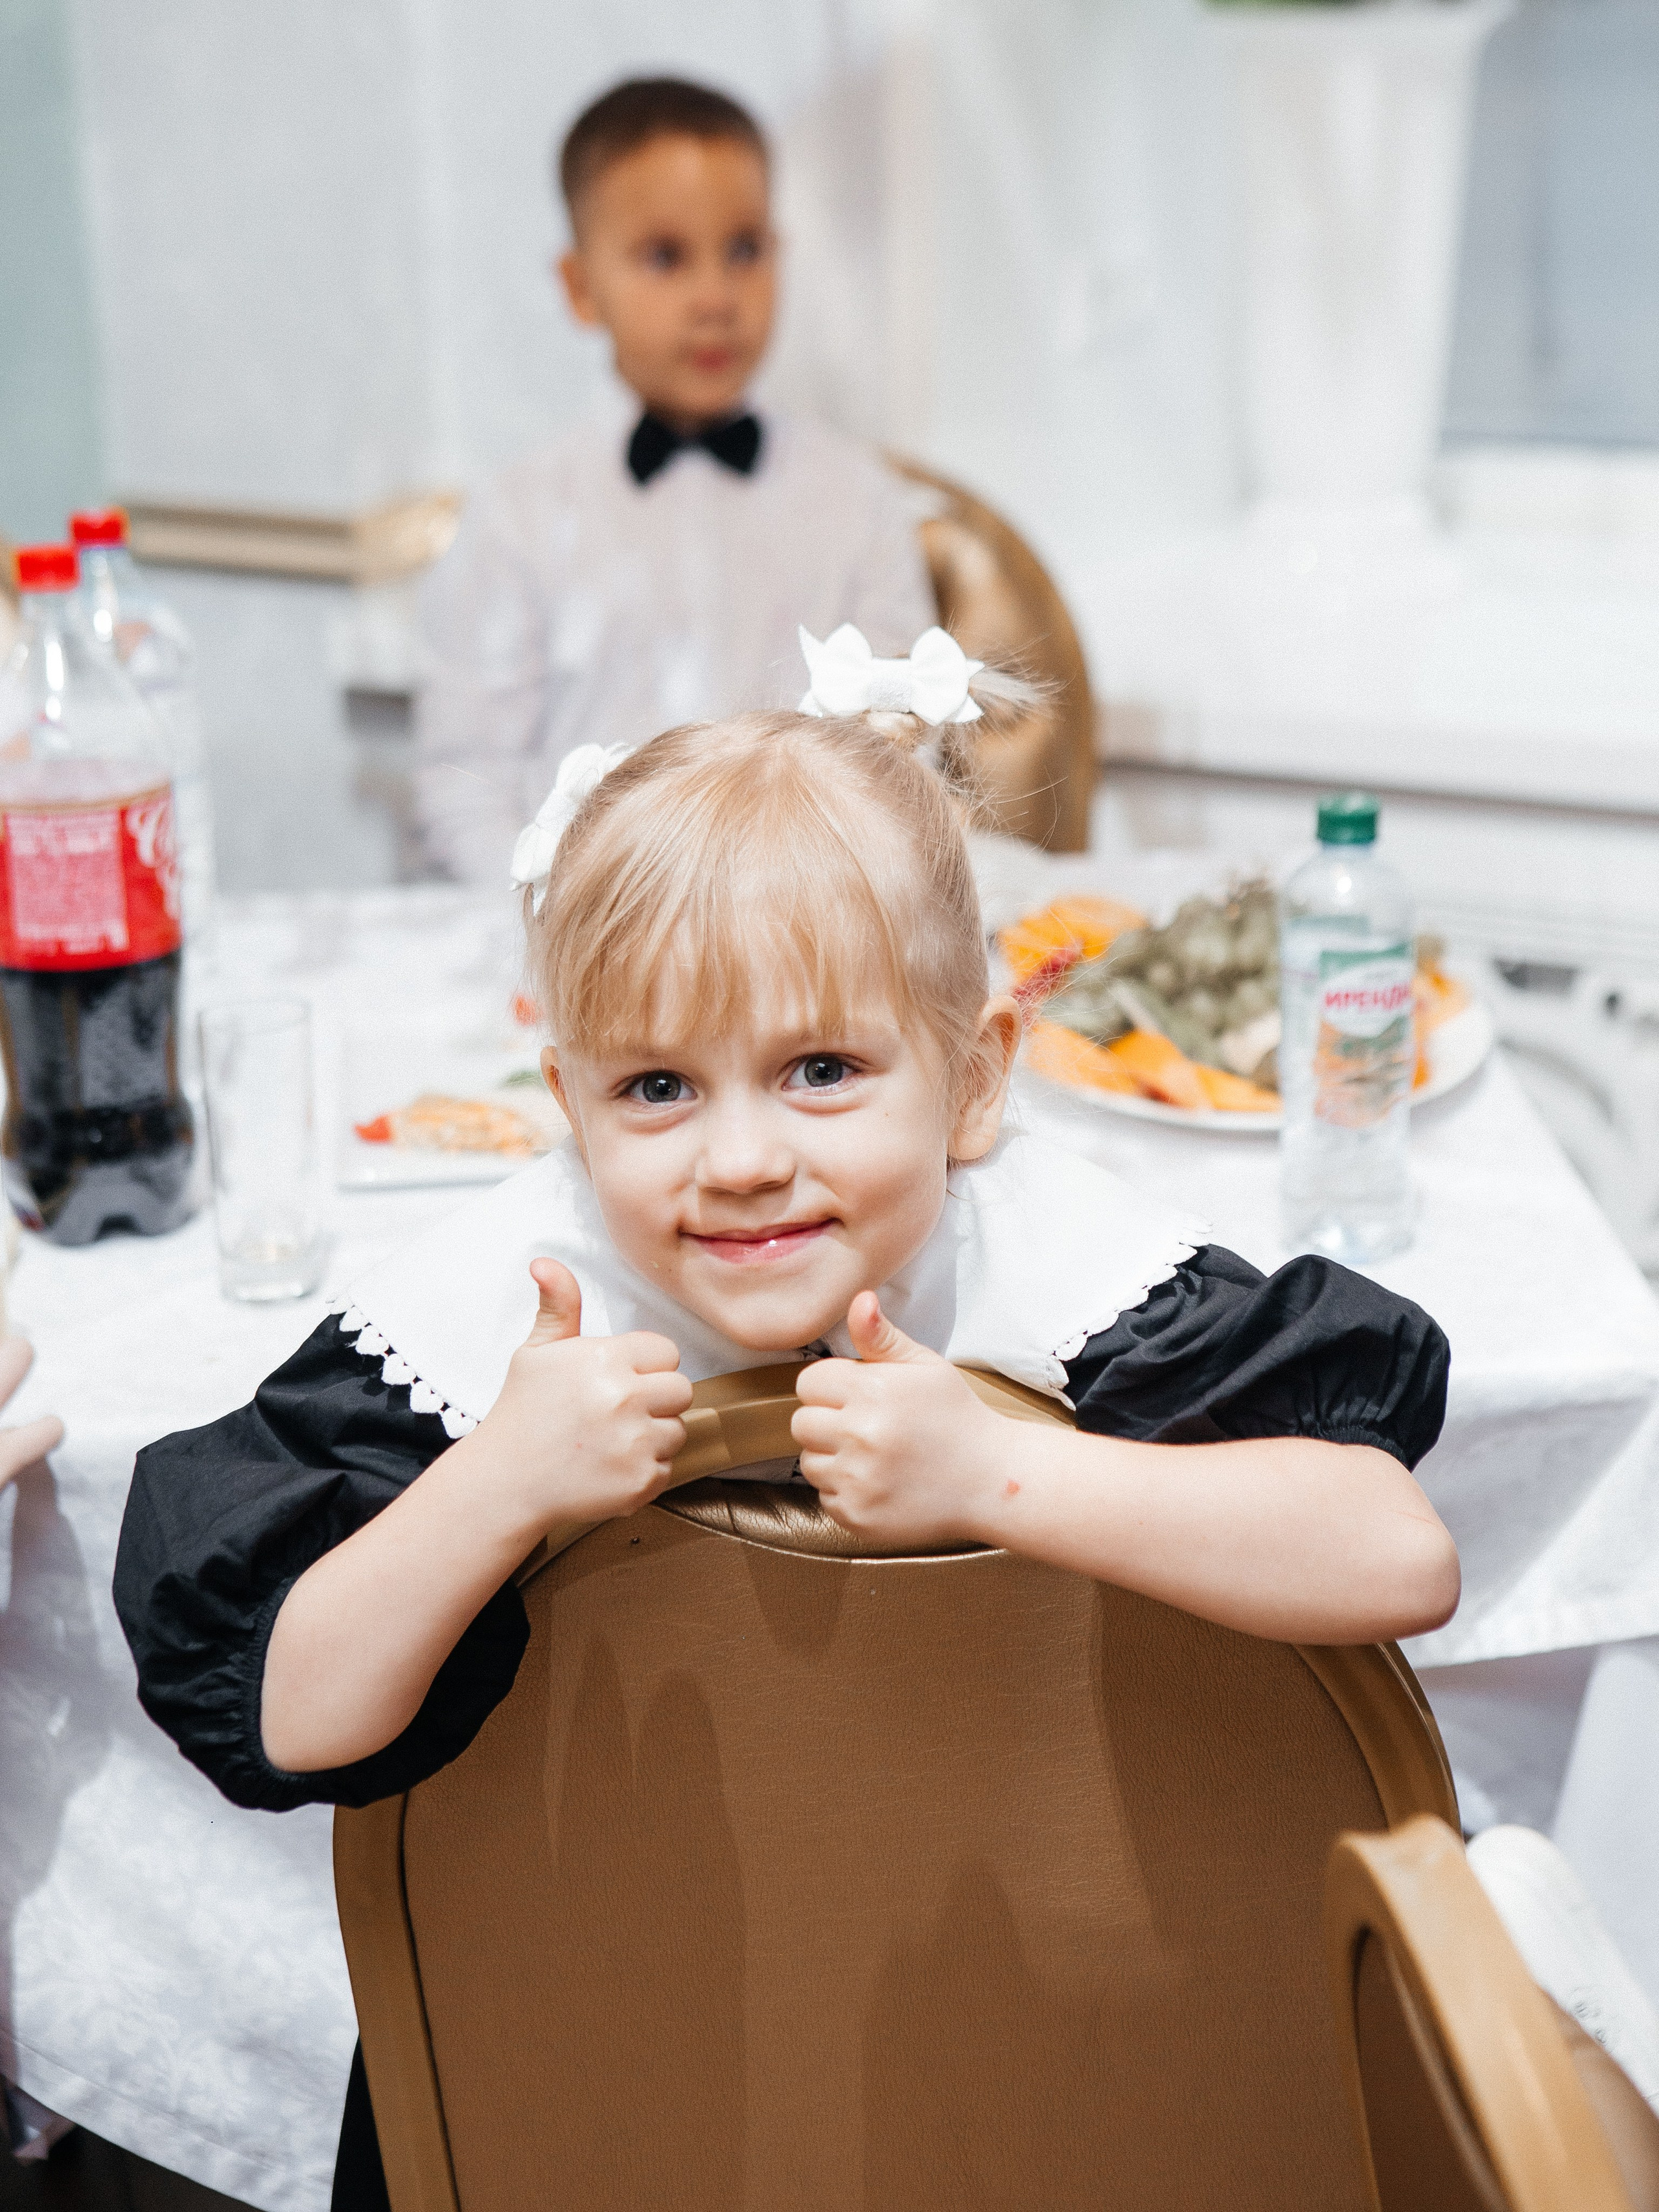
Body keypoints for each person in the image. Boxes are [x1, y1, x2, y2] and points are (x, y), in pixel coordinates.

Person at [115, 628, 1457, 2203]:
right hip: (602, 2066)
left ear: (974, 1079)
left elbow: (1394, 1555)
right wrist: (494, 1481)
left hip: (1061, 2063)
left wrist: (999, 1467)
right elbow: (282, 1711)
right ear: (567, 1103)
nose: (738, 1156)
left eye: (819, 1067)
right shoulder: (498, 1298)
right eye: (656, 1089)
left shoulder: (1064, 1260)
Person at [414, 75, 936, 883]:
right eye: (665, 257)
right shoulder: (518, 516)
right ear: (581, 288)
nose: (715, 298)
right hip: (590, 934)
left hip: (807, 922)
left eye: (744, 250)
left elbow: (902, 748)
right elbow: (466, 780)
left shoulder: (857, 501)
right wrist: (545, 932)